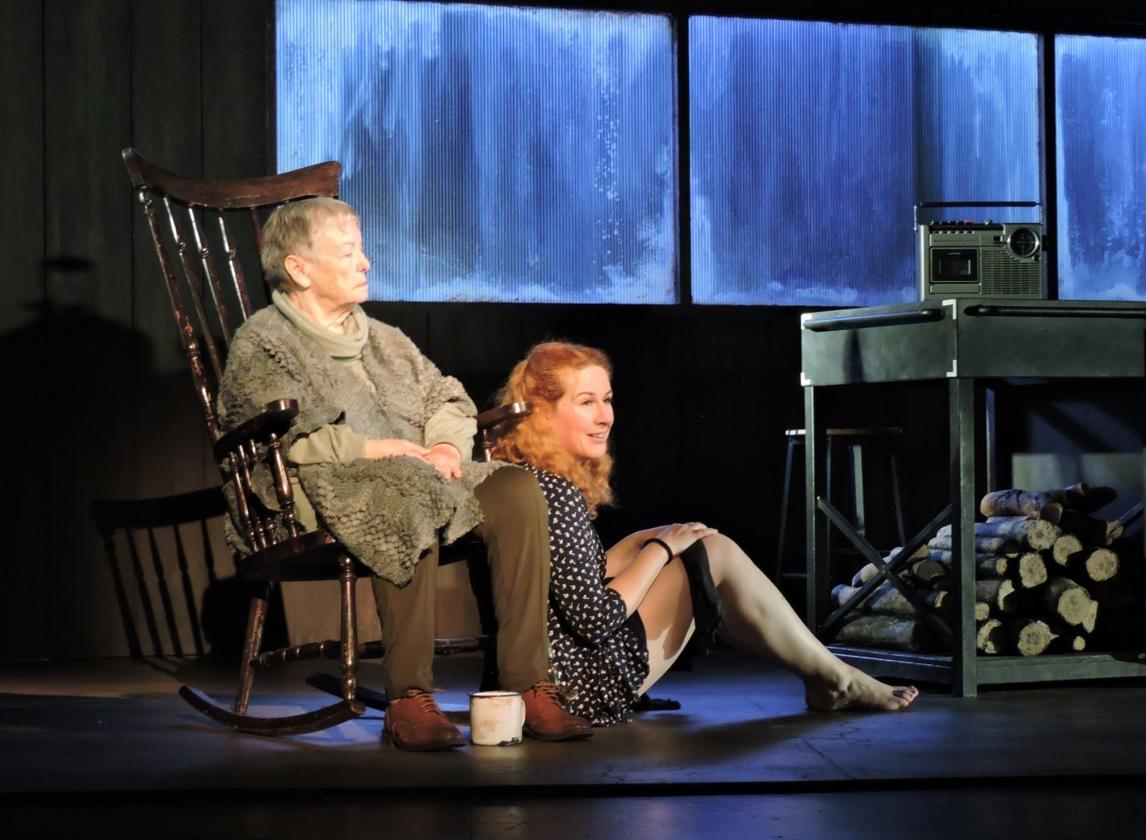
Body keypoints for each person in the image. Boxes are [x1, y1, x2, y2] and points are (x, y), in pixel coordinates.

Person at [217, 198, 591, 750]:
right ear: (298, 268)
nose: (366, 262)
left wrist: (443, 445)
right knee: (404, 490)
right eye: (348, 252)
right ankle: (408, 696)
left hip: (419, 473)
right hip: (321, 487)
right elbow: (280, 436)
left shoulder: (385, 339)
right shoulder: (264, 342)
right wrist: (383, 449)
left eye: (362, 249)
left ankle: (528, 684)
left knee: (515, 488)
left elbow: (444, 396)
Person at [489, 341, 919, 726]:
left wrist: (644, 542)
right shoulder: (556, 492)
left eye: (607, 399)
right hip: (581, 688)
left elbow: (559, 585)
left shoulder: (526, 478)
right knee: (714, 552)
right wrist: (658, 550)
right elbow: (594, 619)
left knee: (694, 546)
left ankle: (828, 676)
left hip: (552, 671)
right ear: (543, 412)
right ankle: (836, 680)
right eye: (586, 402)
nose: (604, 416)